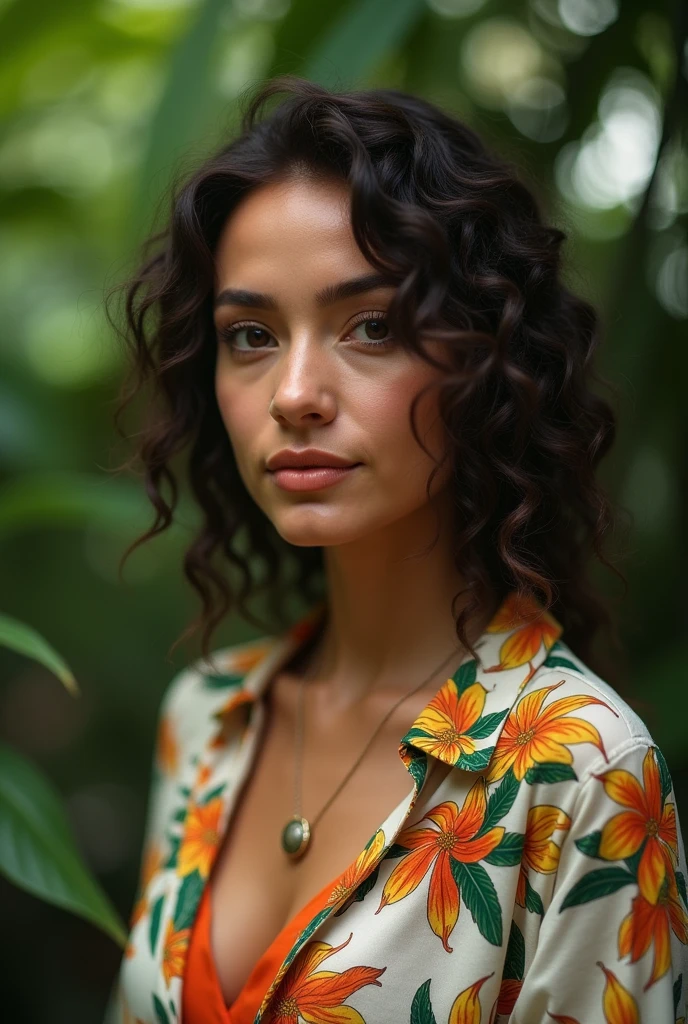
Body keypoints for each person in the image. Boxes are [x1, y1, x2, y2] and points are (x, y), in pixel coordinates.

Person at [103, 76, 688, 1024]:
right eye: (249, 334)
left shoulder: (580, 772)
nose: (294, 391)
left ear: (485, 357)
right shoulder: (209, 718)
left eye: (371, 325)